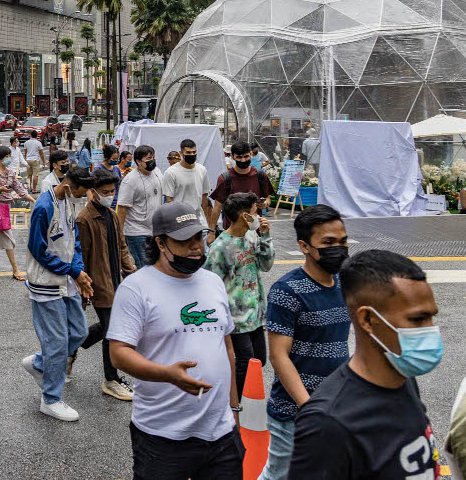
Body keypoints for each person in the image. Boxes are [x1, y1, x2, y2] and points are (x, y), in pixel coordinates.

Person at [107, 202, 243, 478]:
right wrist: (168, 375)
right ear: (161, 243)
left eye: (199, 237)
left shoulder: (212, 282)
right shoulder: (136, 288)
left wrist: (234, 409)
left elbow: (226, 347)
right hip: (162, 437)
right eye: (184, 240)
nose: (196, 246)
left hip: (221, 434)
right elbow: (119, 353)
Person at [287, 250, 441, 480]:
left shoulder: (403, 377)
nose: (430, 330)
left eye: (431, 318)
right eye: (417, 319)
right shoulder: (327, 423)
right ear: (368, 320)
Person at [257, 204, 351, 480]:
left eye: (343, 241)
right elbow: (279, 356)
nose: (339, 248)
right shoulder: (287, 290)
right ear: (304, 246)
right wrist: (309, 407)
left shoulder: (344, 282)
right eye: (328, 242)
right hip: (295, 412)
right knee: (280, 476)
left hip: (336, 406)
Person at [20, 165, 94, 421]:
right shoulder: (44, 206)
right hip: (46, 283)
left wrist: (79, 272)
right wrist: (73, 272)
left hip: (67, 279)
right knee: (57, 342)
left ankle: (40, 363)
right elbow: (38, 251)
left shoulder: (69, 201)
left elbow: (74, 242)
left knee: (79, 332)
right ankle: (51, 398)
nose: (82, 198)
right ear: (68, 186)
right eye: (81, 193)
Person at [204, 192, 274, 400]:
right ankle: (235, 405)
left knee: (259, 360)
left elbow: (266, 265)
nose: (258, 215)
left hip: (255, 314)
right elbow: (209, 285)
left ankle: (236, 396)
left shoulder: (252, 235)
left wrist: (266, 236)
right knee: (245, 362)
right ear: (245, 216)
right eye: (255, 211)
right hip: (234, 318)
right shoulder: (220, 248)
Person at [74, 168, 136, 402]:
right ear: (93, 192)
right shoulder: (84, 219)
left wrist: (131, 270)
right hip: (97, 283)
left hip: (114, 280)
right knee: (113, 330)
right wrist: (83, 287)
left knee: (108, 326)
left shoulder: (111, 215)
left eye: (112, 191)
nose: (110, 194)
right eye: (105, 191)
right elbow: (81, 257)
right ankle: (111, 379)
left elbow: (121, 246)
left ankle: (72, 346)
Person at [0, 145, 36, 280]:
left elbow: (20, 190)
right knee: (10, 240)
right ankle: (16, 270)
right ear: (0, 158)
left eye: (9, 156)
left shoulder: (10, 172)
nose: (8, 159)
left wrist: (34, 200)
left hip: (5, 209)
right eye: (6, 157)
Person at [116, 145, 164, 270]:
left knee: (156, 267)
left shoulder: (157, 173)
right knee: (145, 268)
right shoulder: (130, 181)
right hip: (137, 232)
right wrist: (119, 235)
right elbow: (121, 208)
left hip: (155, 231)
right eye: (148, 159)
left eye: (153, 157)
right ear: (138, 161)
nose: (152, 161)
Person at [210, 139, 273, 235]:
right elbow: (217, 207)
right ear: (232, 157)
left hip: (256, 232)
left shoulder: (260, 175)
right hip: (232, 234)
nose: (243, 160)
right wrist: (211, 232)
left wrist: (265, 204)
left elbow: (267, 199)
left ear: (251, 154)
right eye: (239, 157)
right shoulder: (225, 178)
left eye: (246, 156)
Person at [162, 138, 212, 229]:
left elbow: (204, 198)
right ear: (181, 153)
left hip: (199, 222)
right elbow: (169, 200)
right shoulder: (171, 172)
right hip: (179, 223)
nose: (192, 155)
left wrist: (208, 224)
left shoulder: (202, 170)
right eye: (188, 152)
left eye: (194, 152)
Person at [94, 145, 123, 210]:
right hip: (102, 203)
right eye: (113, 159)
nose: (115, 161)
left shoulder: (117, 169)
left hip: (115, 203)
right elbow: (91, 189)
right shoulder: (98, 170)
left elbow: (119, 186)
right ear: (106, 157)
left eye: (117, 159)